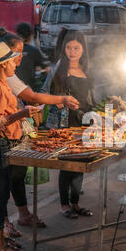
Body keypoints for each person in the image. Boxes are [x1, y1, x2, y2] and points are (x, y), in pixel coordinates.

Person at [0, 33, 79, 237]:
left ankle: (23, 214)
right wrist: (61, 99)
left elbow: (28, 99)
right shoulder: (1, 80)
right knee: (3, 183)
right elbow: (29, 96)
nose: (21, 57)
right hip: (5, 138)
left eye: (21, 52)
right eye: (17, 53)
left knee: (16, 176)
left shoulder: (9, 75)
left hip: (16, 134)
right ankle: (2, 226)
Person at [0, 42, 39, 251]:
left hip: (10, 144)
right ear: (3, 65)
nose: (16, 62)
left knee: (3, 192)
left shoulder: (3, 85)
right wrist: (23, 114)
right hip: (1, 146)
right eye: (12, 60)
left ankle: (0, 238)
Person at [49, 30, 95, 219]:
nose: (72, 51)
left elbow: (91, 97)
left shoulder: (87, 70)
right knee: (67, 164)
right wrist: (61, 101)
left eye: (76, 48)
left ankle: (75, 203)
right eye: (68, 47)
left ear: (83, 49)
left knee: (80, 162)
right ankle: (64, 205)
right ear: (63, 48)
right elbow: (50, 96)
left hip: (83, 121)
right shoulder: (59, 69)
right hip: (65, 122)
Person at [15, 22, 50, 91]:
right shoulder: (33, 50)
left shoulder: (10, 49)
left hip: (11, 87)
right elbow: (47, 69)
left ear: (17, 35)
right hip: (27, 89)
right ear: (30, 36)